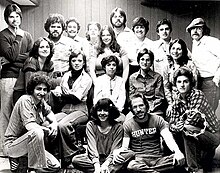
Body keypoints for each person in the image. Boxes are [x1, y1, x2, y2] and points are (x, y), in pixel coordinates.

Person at [112, 93, 185, 173]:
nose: (138, 109)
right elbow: (125, 147)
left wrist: (177, 152)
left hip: (158, 160)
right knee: (131, 166)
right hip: (139, 160)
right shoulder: (128, 124)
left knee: (178, 159)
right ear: (132, 109)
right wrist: (116, 152)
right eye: (135, 107)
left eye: (141, 105)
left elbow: (168, 138)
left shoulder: (157, 119)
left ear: (146, 105)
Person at [3, 73, 60, 173]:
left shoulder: (41, 102)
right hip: (13, 144)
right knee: (38, 132)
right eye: (38, 89)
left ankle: (24, 161)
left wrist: (54, 124)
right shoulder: (25, 100)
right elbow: (30, 126)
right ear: (32, 89)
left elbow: (49, 112)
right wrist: (47, 129)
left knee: (54, 166)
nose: (42, 92)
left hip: (31, 144)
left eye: (44, 89)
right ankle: (31, 169)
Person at [169, 67, 220, 173]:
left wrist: (180, 124)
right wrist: (175, 126)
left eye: (185, 81)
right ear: (175, 84)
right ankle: (191, 167)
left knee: (187, 129)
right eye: (179, 82)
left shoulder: (197, 95)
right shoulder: (176, 101)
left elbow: (193, 118)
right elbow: (171, 124)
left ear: (190, 83)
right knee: (180, 132)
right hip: (193, 136)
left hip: (212, 136)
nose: (182, 85)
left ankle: (195, 170)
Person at [0, 4, 33, 153]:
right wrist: (18, 37)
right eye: (11, 16)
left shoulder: (27, 35)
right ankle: (4, 148)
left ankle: (19, 149)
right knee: (6, 112)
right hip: (9, 78)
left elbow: (31, 57)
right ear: (6, 18)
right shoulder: (3, 35)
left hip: (24, 77)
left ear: (21, 17)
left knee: (22, 112)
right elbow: (12, 55)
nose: (15, 19)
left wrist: (13, 59)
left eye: (17, 16)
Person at [52, 50, 92, 167]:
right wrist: (63, 95)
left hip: (80, 110)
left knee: (63, 125)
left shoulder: (86, 78)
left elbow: (76, 98)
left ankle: (72, 154)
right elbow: (60, 92)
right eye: (73, 60)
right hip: (65, 109)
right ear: (70, 62)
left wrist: (62, 96)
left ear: (84, 63)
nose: (76, 63)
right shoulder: (66, 75)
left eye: (80, 61)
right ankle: (54, 155)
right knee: (49, 122)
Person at [72, 98, 124, 173]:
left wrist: (106, 164)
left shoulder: (118, 127)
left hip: (111, 160)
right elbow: (92, 147)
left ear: (111, 112)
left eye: (106, 110)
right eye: (99, 110)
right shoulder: (91, 125)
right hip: (94, 159)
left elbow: (115, 149)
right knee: (76, 160)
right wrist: (96, 165)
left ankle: (106, 169)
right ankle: (105, 171)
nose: (102, 113)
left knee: (124, 159)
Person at [186, 17, 220, 111]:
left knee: (208, 112)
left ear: (204, 30)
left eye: (199, 28)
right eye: (193, 29)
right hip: (198, 82)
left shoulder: (211, 41)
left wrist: (216, 79)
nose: (195, 31)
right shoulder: (195, 42)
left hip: (210, 82)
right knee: (199, 112)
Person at [163, 38, 198, 119]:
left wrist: (189, 104)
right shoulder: (167, 67)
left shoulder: (190, 65)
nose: (175, 51)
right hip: (174, 102)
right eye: (173, 48)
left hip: (189, 101)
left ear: (183, 51)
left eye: (179, 49)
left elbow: (194, 86)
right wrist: (170, 104)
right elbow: (166, 88)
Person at [13, 37, 54, 104]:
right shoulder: (31, 61)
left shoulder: (50, 64)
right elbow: (28, 86)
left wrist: (44, 104)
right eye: (42, 47)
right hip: (23, 94)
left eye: (47, 47)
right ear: (36, 49)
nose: (45, 49)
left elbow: (48, 86)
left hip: (40, 94)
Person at [44, 13, 80, 88]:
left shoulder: (71, 43)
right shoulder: (43, 43)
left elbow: (79, 60)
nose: (56, 29)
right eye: (53, 27)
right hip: (47, 79)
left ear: (63, 28)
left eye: (58, 27)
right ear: (48, 28)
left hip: (66, 78)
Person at [129, 48, 167, 116]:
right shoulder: (132, 78)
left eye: (148, 60)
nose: (145, 62)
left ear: (151, 62)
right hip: (138, 107)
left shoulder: (158, 77)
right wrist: (140, 108)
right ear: (138, 61)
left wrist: (149, 108)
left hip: (154, 108)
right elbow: (132, 96)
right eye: (142, 59)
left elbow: (159, 97)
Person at [109, 7, 137, 75]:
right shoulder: (108, 34)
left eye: (120, 16)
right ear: (111, 19)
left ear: (124, 19)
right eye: (115, 17)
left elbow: (132, 56)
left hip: (128, 68)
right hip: (110, 68)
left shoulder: (131, 34)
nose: (118, 19)